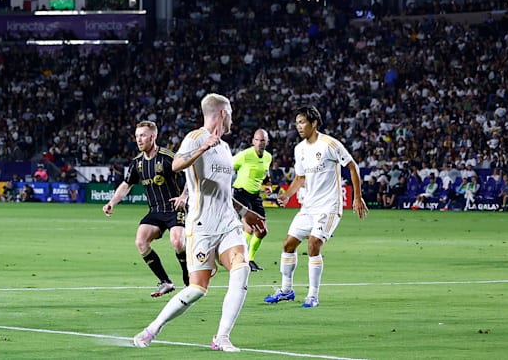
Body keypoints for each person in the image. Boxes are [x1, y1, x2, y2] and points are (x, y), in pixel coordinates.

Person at [132, 93, 263, 353]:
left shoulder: (225, 148)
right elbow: (177, 165)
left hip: (228, 224)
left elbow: (224, 192)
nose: (233, 119)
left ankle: (222, 337)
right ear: (222, 113)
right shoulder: (195, 138)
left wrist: (245, 211)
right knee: (197, 289)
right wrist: (204, 147)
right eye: (231, 113)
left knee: (241, 269)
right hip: (201, 226)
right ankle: (152, 329)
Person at [264, 106, 368, 308]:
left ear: (314, 123)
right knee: (288, 245)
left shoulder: (330, 144)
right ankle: (286, 290)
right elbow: (300, 177)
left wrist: (357, 196)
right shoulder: (299, 149)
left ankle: (312, 295)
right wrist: (287, 195)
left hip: (329, 207)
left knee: (313, 244)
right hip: (308, 208)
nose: (299, 127)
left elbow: (352, 166)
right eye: (297, 123)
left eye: (302, 122)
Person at [103, 120, 189, 297]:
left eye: (142, 135)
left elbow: (191, 172)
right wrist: (112, 202)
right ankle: (166, 282)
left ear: (153, 136)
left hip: (174, 208)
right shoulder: (137, 163)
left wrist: (185, 196)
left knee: (177, 241)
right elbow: (126, 185)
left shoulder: (167, 156)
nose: (139, 140)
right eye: (136, 136)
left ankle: (189, 279)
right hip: (155, 211)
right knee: (141, 241)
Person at [230, 128, 273, 271]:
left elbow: (265, 175)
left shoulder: (268, 157)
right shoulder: (244, 155)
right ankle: (243, 258)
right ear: (252, 141)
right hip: (241, 194)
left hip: (255, 196)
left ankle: (250, 259)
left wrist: (267, 186)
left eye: (262, 140)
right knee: (249, 227)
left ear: (267, 142)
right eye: (257, 140)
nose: (260, 143)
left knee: (262, 230)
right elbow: (228, 167)